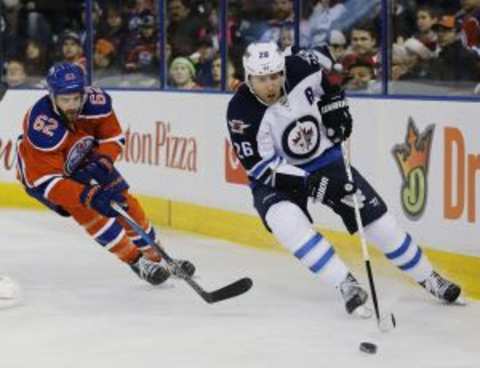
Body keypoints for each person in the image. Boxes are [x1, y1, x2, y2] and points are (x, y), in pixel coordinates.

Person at [226, 42, 463, 316]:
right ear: (248, 77)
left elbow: (327, 76)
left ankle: (429, 277)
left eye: (275, 76)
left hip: (325, 159)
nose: (270, 84)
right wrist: (308, 183)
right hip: (276, 177)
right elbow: (259, 167)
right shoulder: (240, 112)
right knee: (287, 223)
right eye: (262, 79)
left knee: (378, 221)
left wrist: (335, 107)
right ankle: (346, 285)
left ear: (282, 70)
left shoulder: (301, 67)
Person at [16, 62, 195, 286]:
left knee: (125, 203)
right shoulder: (41, 126)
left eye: (76, 98)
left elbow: (113, 137)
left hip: (86, 157)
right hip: (48, 177)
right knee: (90, 212)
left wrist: (104, 159)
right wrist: (88, 196)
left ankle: (160, 256)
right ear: (52, 97)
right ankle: (136, 262)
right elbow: (47, 183)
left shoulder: (96, 103)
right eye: (65, 99)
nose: (72, 105)